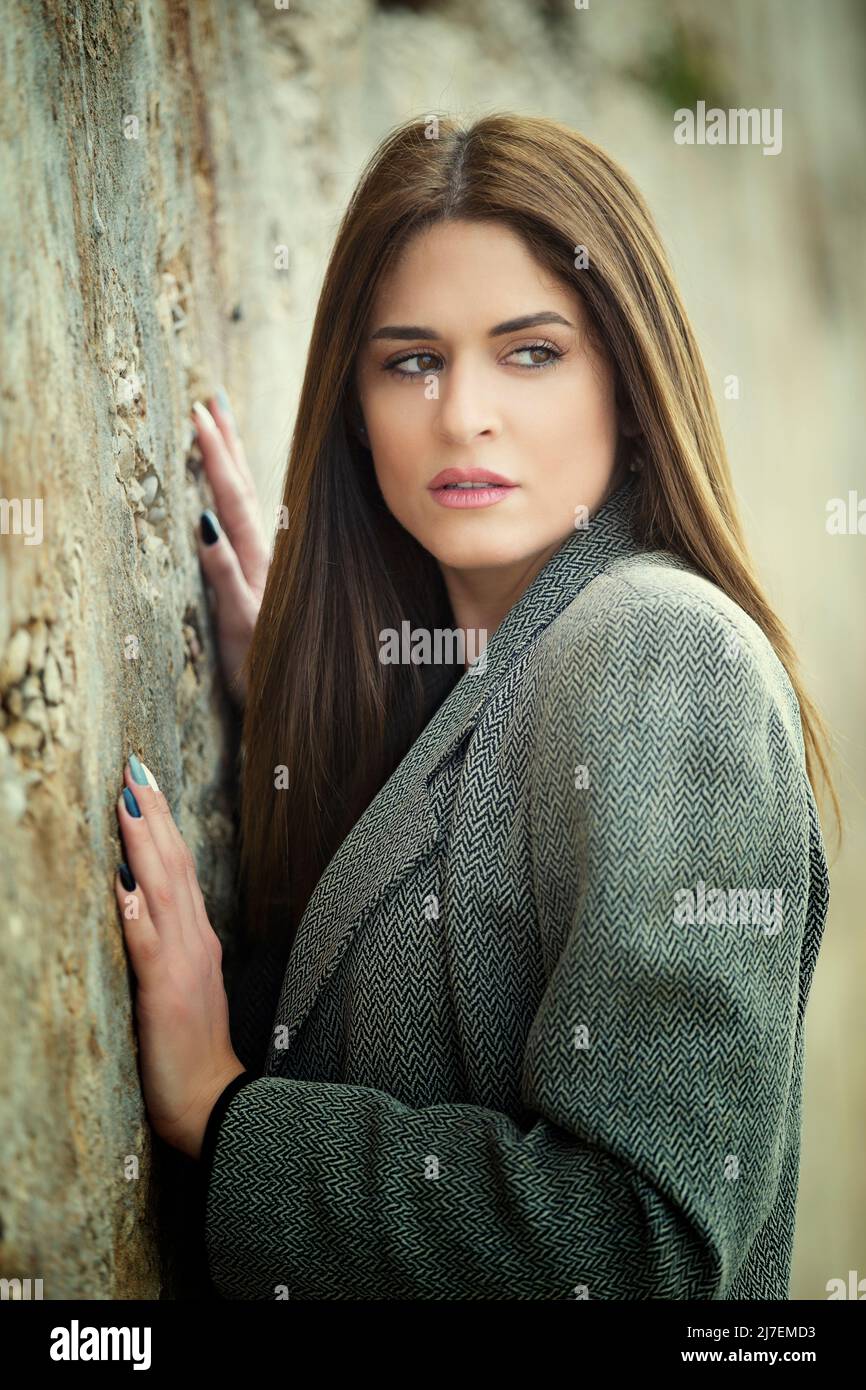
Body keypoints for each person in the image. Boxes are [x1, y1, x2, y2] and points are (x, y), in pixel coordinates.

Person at [114, 112, 838, 1300]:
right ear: (353, 404)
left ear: (626, 372)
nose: (462, 416)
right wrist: (306, 716)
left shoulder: (661, 651)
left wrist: (222, 1106)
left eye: (530, 351)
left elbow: (635, 1248)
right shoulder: (497, 667)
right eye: (410, 359)